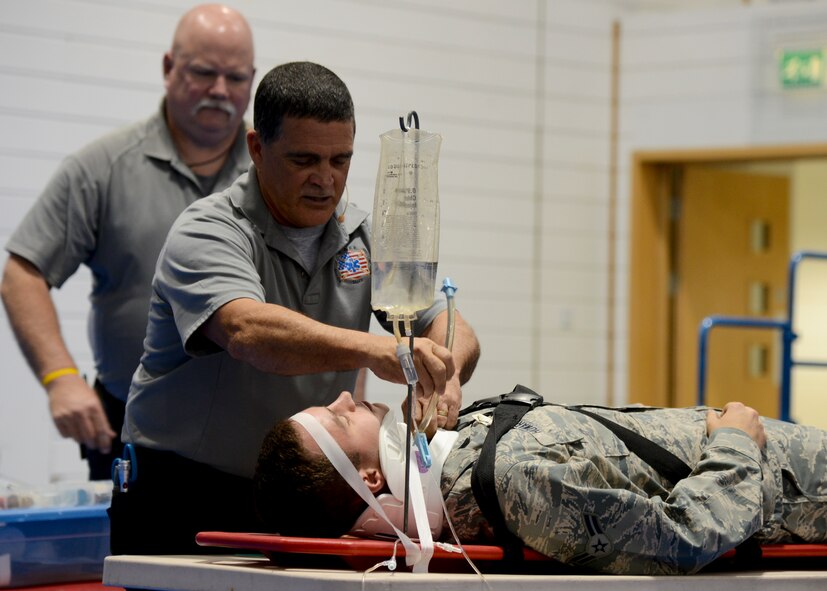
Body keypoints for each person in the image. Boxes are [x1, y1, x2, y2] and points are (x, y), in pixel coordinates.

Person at [109, 61, 480, 555]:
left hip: (305, 501)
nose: (325, 180)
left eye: (340, 160)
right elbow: (249, 332)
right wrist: (379, 350)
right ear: (257, 149)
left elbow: (446, 320)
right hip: (184, 494)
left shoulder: (363, 237)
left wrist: (447, 373)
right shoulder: (208, 230)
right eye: (304, 160)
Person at [0, 4, 255, 480]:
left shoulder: (278, 176)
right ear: (168, 67)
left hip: (254, 439)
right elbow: (23, 271)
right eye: (204, 72)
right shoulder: (103, 167)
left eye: (236, 78)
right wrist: (60, 379)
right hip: (132, 435)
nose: (220, 90)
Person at [254, 389, 827, 575]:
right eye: (336, 418)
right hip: (795, 487)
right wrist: (734, 441)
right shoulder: (513, 481)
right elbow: (682, 538)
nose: (346, 397)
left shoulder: (466, 454)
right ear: (373, 476)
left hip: (780, 457)